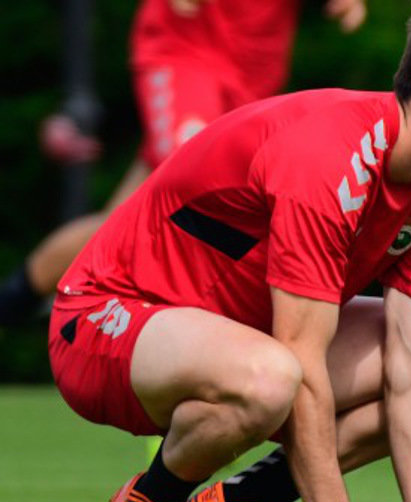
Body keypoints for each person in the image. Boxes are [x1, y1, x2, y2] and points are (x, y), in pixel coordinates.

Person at [48, 0, 411, 502]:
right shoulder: (328, 156)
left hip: (248, 338)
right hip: (106, 322)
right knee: (274, 375)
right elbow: (302, 360)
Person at [0, 0, 367, 325]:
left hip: (251, 76)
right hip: (185, 54)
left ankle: (12, 303)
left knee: (118, 226)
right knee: (201, 194)